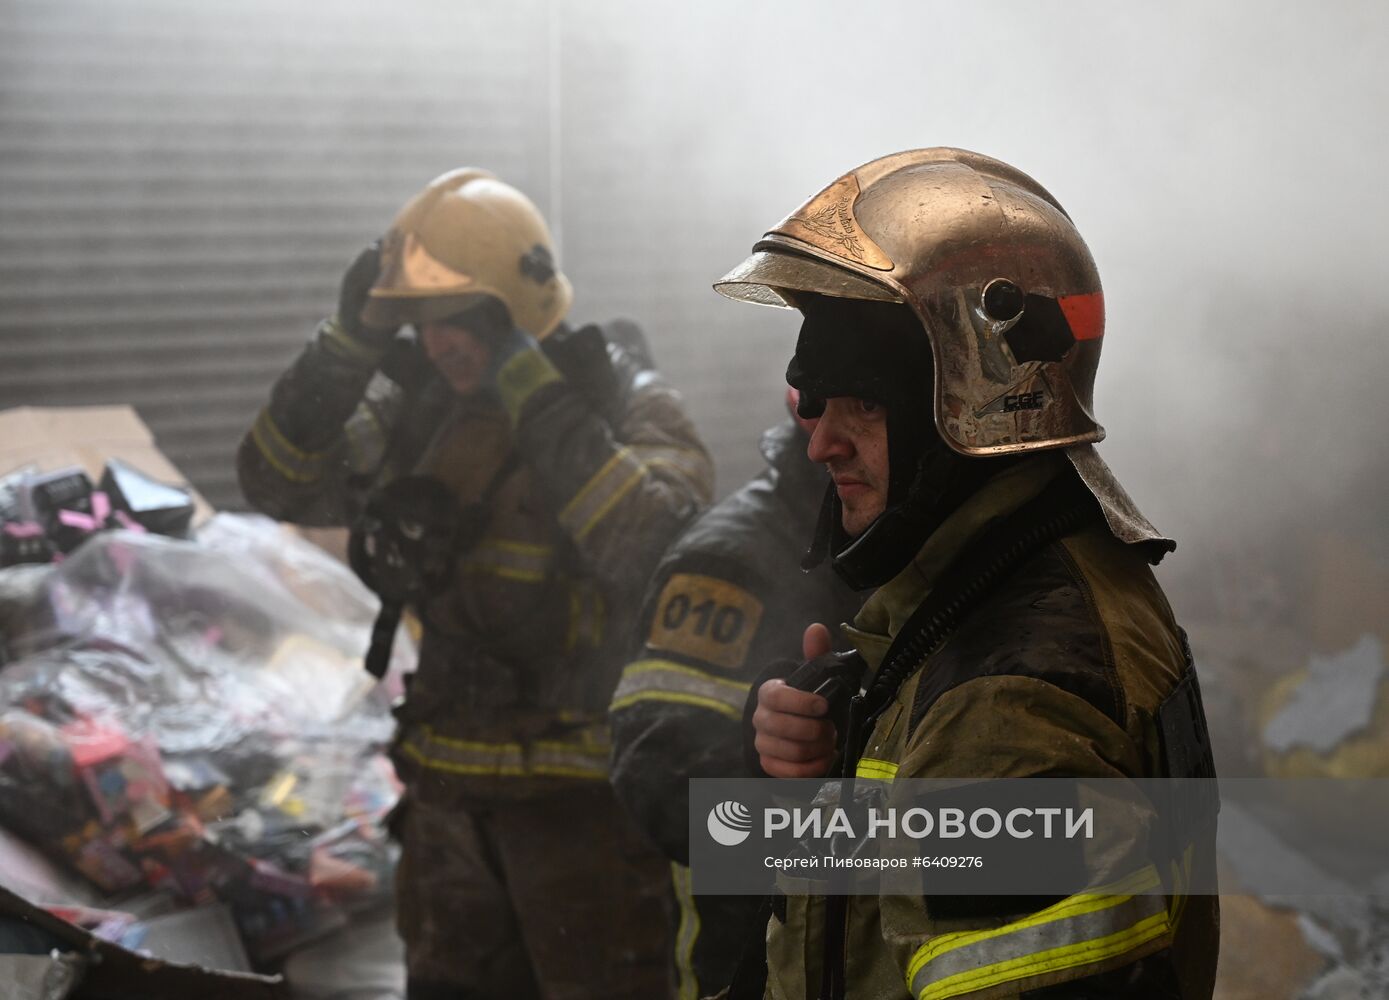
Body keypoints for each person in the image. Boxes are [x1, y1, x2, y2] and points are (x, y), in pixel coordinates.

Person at [713, 149, 1218, 998]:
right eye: (817, 404)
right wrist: (851, 754)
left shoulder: (1003, 692)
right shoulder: (1001, 591)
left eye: (863, 404)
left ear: (979, 401)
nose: (821, 443)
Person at [238, 168, 714, 1000]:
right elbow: (278, 484)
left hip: (577, 813)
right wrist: (344, 349)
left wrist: (533, 393)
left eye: (458, 318)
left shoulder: (619, 399)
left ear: (516, 306)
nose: (435, 342)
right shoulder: (419, 410)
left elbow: (657, 541)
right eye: (419, 322)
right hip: (446, 806)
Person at [608, 392, 862, 999]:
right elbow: (660, 782)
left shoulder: (903, 546)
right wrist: (769, 771)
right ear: (811, 414)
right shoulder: (730, 559)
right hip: (751, 964)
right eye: (869, 404)